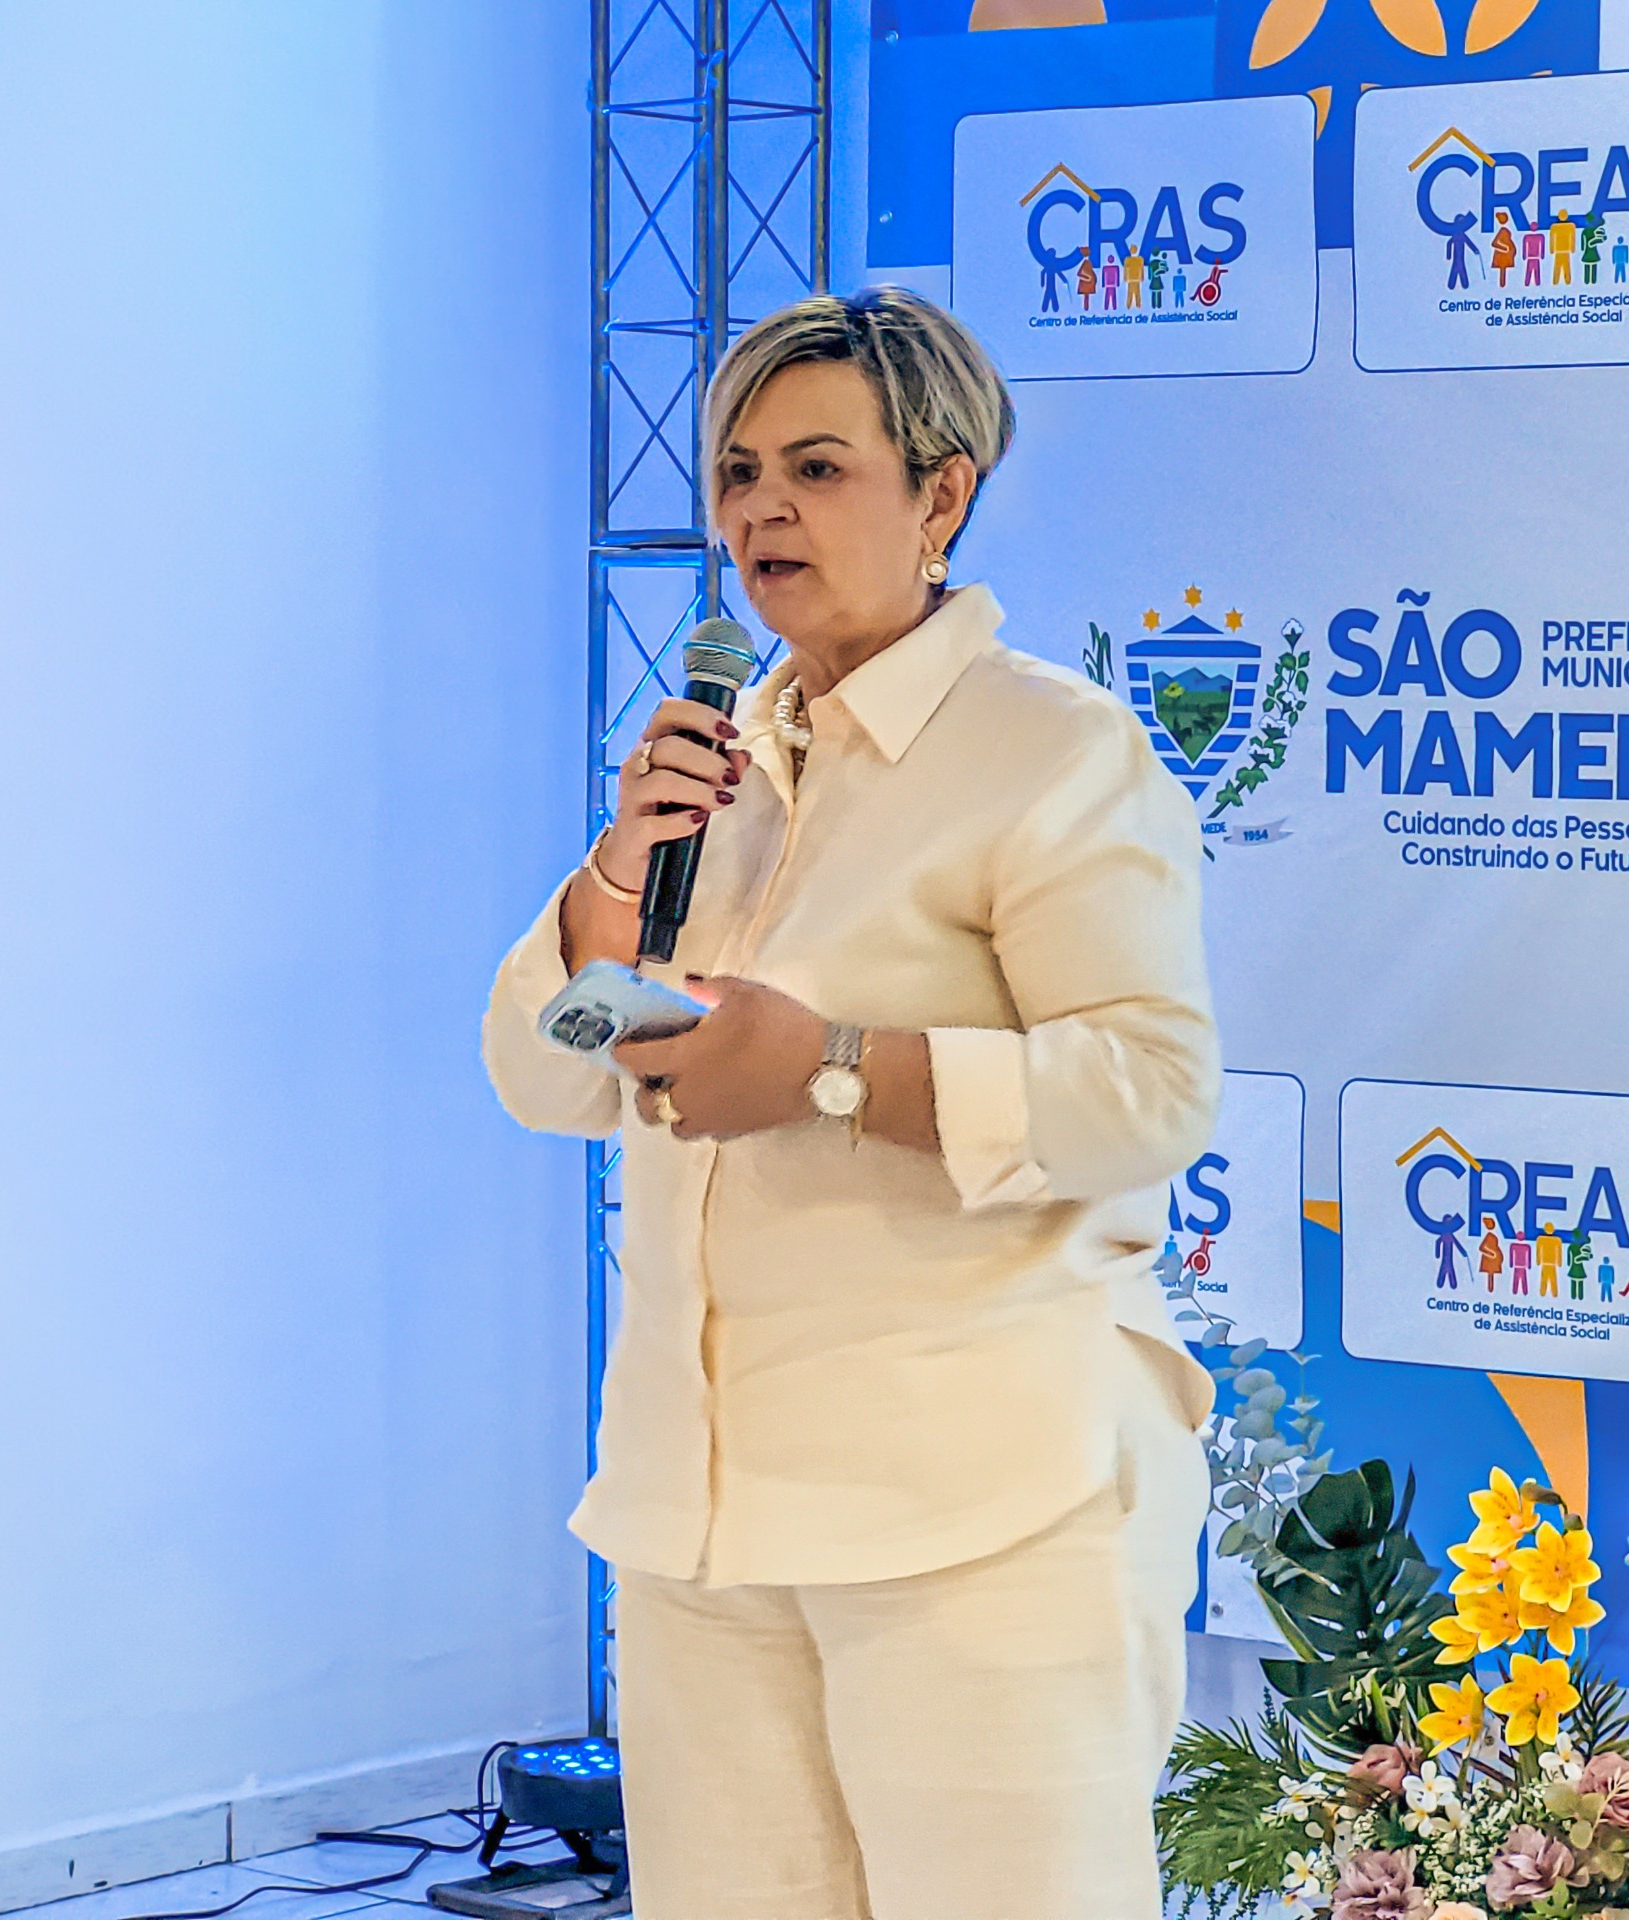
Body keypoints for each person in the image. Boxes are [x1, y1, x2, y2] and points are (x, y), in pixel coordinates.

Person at [482, 287, 1219, 1920]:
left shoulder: (1053, 752)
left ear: (942, 495)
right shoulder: (718, 770)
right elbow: (541, 1074)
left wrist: (829, 1068)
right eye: (738, 474)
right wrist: (619, 873)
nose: (763, 512)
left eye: (817, 469)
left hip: (978, 1507)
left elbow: (1153, 1093)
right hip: (701, 1510)